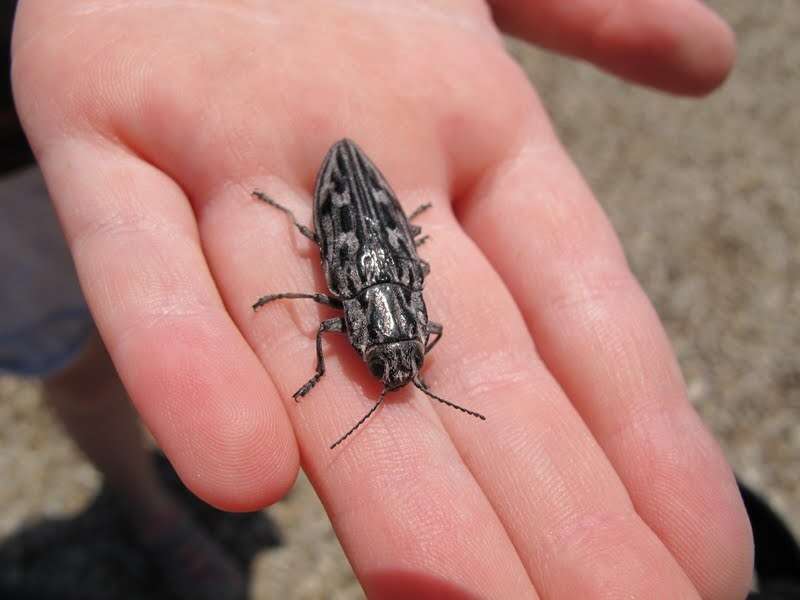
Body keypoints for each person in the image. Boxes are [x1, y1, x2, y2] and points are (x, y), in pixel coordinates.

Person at [5, 1, 754, 598]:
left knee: (325, 262)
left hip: (368, 230)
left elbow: (377, 306)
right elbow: (348, 299)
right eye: (390, 354)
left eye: (392, 355)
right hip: (355, 218)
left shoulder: (369, 312)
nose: (393, 361)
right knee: (295, 267)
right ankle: (139, 497)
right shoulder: (365, 308)